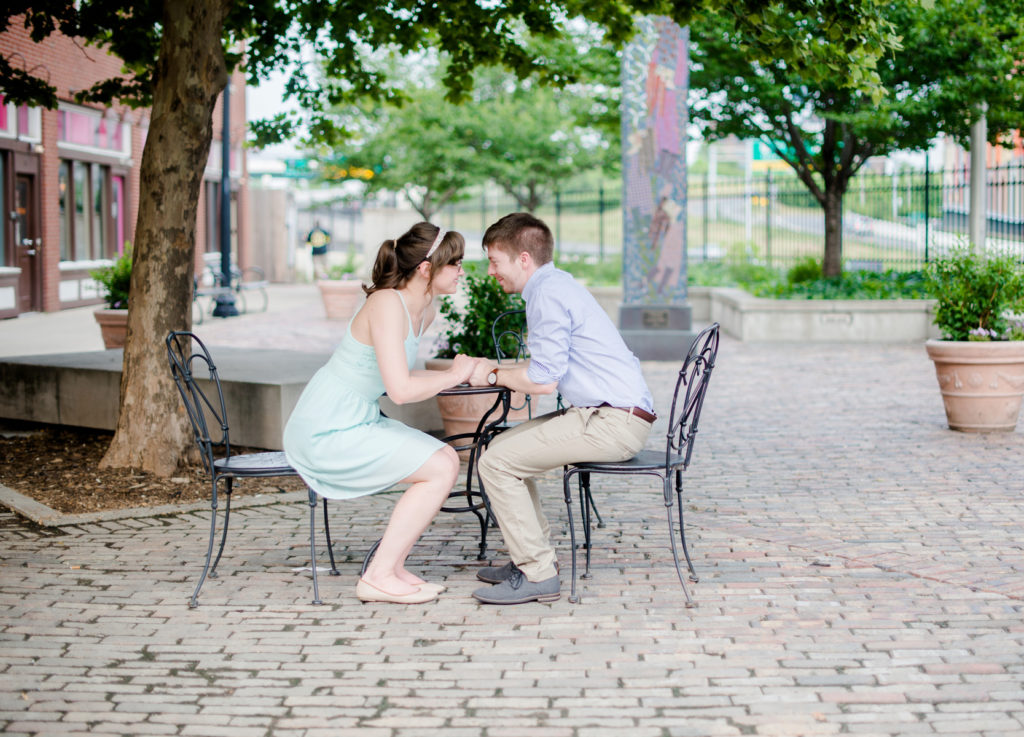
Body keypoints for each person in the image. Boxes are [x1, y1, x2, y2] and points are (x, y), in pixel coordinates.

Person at [284, 222, 477, 604]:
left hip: (359, 417)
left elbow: (401, 376)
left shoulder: (424, 310)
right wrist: (454, 375)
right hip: (327, 426)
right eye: (454, 262)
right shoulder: (387, 303)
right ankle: (377, 575)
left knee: (446, 459)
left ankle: (393, 568)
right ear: (426, 268)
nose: (461, 270)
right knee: (439, 468)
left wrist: (461, 374)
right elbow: (401, 391)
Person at [468, 213, 656, 605]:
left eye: (494, 261)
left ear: (523, 259)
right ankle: (532, 557)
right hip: (608, 414)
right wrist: (496, 370)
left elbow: (543, 381)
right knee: (499, 451)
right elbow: (544, 368)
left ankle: (537, 573)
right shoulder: (556, 285)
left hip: (612, 422)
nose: (490, 271)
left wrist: (491, 374)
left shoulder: (547, 294)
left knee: (496, 464)